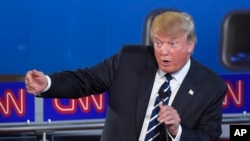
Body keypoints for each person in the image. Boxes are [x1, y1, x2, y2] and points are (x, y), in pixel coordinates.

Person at [25, 11, 227, 141]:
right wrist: (47, 83)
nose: (163, 51)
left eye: (172, 44)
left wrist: (177, 130)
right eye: (158, 43)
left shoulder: (210, 86)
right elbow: (85, 80)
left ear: (190, 45)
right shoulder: (129, 60)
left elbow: (209, 137)